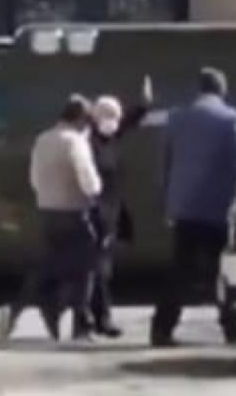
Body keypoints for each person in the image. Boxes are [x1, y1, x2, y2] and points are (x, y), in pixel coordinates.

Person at [150, 67, 236, 347]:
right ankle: (232, 329)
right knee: (223, 270)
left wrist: (167, 201)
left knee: (178, 271)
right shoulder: (231, 119)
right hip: (218, 208)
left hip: (184, 207)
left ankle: (161, 329)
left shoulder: (176, 117)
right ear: (222, 89)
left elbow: (164, 163)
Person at [0, 95, 102, 343]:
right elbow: (88, 180)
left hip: (47, 212)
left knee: (50, 267)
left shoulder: (42, 139)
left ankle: (20, 310)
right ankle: (81, 326)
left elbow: (34, 178)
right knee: (87, 267)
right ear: (80, 120)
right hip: (74, 212)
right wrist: (96, 190)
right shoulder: (75, 142)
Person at [87, 79, 152, 338]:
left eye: (115, 116)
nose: (113, 121)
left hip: (110, 213)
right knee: (98, 270)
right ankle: (101, 320)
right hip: (96, 214)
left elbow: (128, 122)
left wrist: (145, 104)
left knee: (99, 270)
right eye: (108, 116)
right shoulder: (88, 142)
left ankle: (94, 318)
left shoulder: (109, 137)